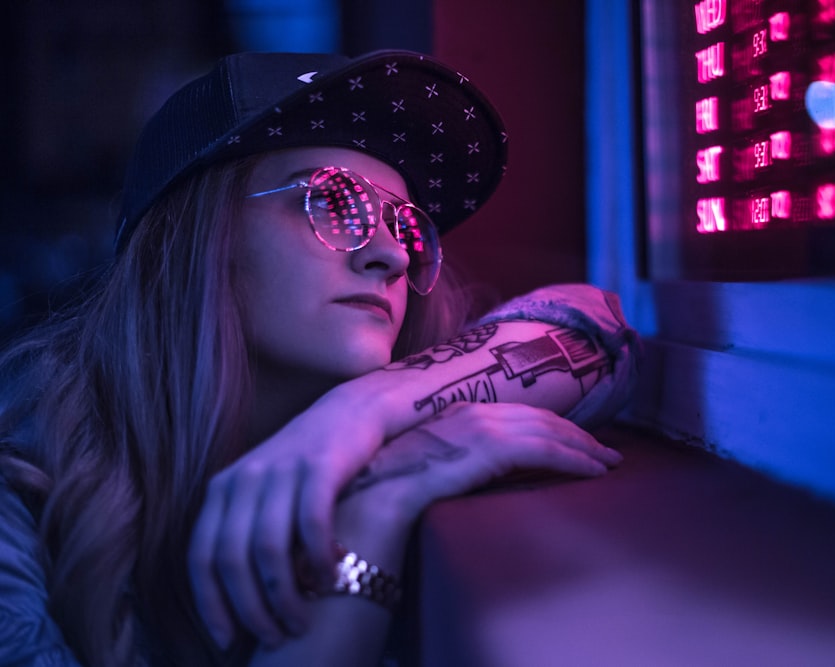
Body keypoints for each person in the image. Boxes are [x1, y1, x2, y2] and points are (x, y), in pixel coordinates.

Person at [0, 50, 639, 666]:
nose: (390, 256)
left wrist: (365, 415)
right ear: (199, 238)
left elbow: (602, 330)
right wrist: (369, 520)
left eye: (406, 226)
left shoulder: (396, 407)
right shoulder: (23, 491)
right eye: (333, 200)